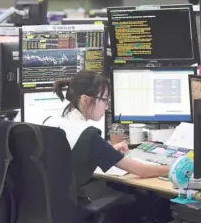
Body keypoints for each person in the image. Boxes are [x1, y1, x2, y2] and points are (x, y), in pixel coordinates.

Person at [44, 70, 169, 222]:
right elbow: (141, 171)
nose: (106, 107)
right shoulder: (88, 135)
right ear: (84, 100)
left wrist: (109, 151)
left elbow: (71, 157)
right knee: (140, 202)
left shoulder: (50, 122)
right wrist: (172, 168)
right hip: (72, 211)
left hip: (49, 209)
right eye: (104, 100)